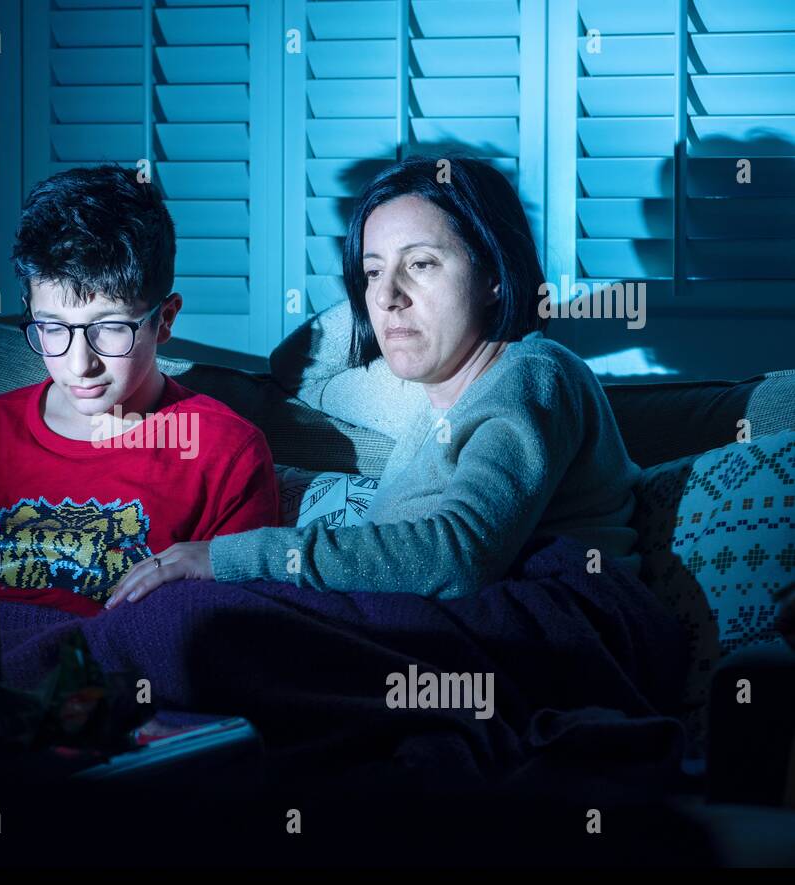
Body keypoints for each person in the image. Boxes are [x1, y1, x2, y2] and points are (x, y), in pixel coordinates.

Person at [106, 155, 642, 607]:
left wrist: (226, 557)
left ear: (495, 276)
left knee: (189, 622)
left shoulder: (533, 372)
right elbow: (302, 368)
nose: (387, 296)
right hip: (434, 637)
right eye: (372, 273)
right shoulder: (426, 395)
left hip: (550, 640)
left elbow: (456, 557)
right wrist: (388, 281)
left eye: (424, 264)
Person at [0, 165, 280, 617]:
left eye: (109, 328)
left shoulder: (226, 452)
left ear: (165, 319)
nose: (80, 365)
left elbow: (232, 630)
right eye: (52, 328)